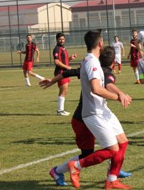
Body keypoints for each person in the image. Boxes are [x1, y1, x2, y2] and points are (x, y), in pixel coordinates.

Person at [40, 45, 132, 186]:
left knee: (120, 143)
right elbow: (108, 84)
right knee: (92, 153)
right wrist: (119, 94)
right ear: (114, 63)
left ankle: (114, 172)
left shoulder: (90, 68)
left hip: (90, 115)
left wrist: (52, 81)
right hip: (83, 119)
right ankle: (57, 170)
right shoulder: (105, 72)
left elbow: (67, 73)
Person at [67, 30, 132, 189]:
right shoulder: (92, 63)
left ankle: (112, 179)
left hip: (103, 110)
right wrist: (118, 97)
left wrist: (120, 92)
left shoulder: (93, 61)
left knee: (123, 142)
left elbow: (105, 84)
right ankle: (76, 166)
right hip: (93, 113)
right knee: (112, 150)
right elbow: (96, 89)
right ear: (100, 44)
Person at [53, 33, 77, 116]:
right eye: (60, 39)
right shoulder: (57, 49)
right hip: (60, 72)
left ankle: (61, 110)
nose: (61, 41)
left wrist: (70, 58)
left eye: (63, 39)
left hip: (65, 72)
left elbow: (63, 60)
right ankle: (60, 110)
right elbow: (56, 62)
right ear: (57, 39)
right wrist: (67, 67)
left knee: (64, 90)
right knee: (63, 90)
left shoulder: (62, 48)